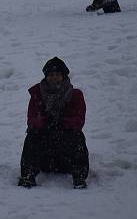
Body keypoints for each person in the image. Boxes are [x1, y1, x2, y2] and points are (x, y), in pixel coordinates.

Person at [18, 57, 89, 189]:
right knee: (32, 134)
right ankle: (27, 175)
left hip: (66, 155)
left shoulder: (75, 95)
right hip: (44, 157)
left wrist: (62, 122)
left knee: (77, 135)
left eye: (57, 74)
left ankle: (79, 176)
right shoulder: (37, 94)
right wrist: (44, 122)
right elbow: (31, 120)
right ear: (46, 76)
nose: (54, 78)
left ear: (63, 76)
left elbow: (79, 121)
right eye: (51, 75)